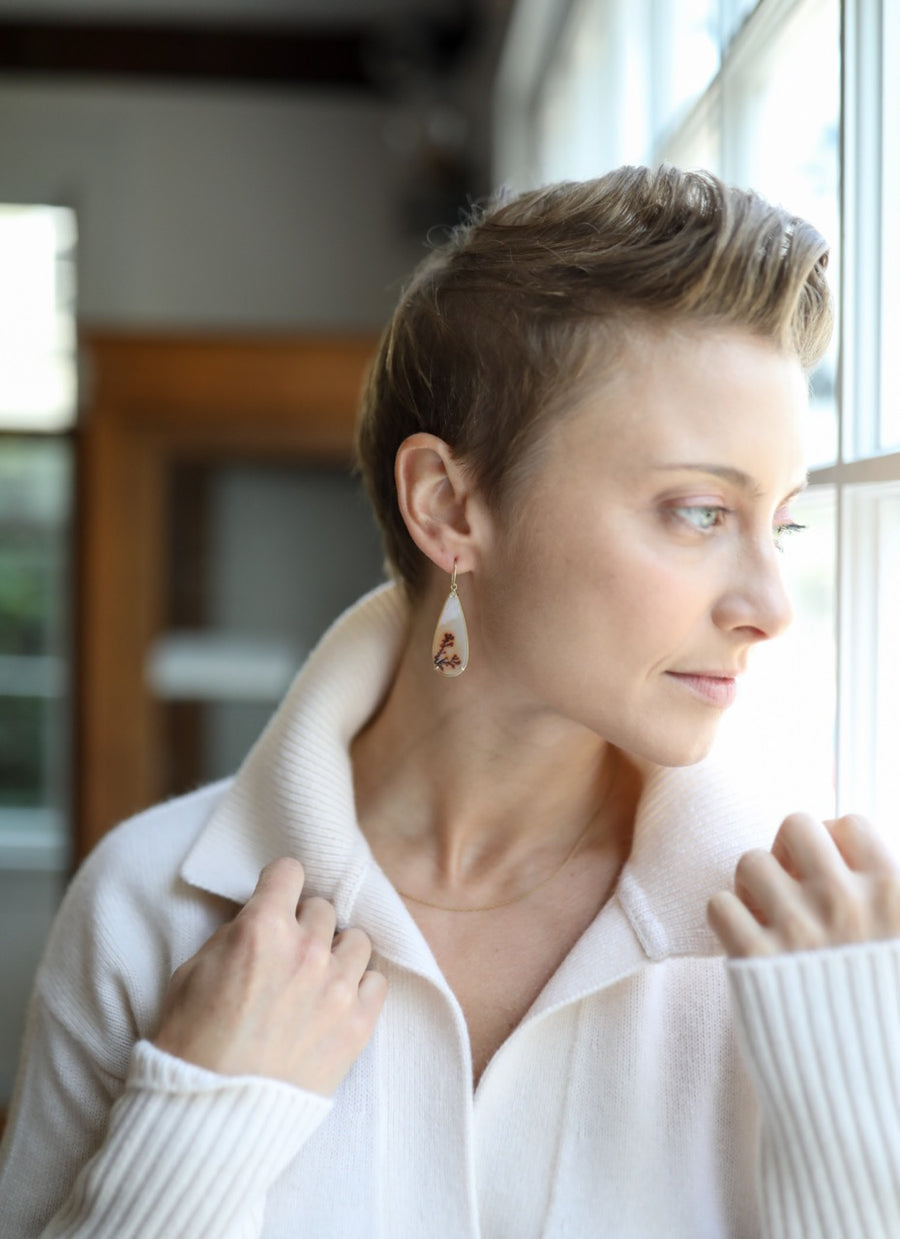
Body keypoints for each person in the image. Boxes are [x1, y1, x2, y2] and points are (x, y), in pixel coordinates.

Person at [1, 164, 899, 1239]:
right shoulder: (150, 910)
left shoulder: (827, 950)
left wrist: (859, 1082)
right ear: (449, 506)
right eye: (701, 512)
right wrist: (195, 1125)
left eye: (782, 525)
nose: (768, 605)